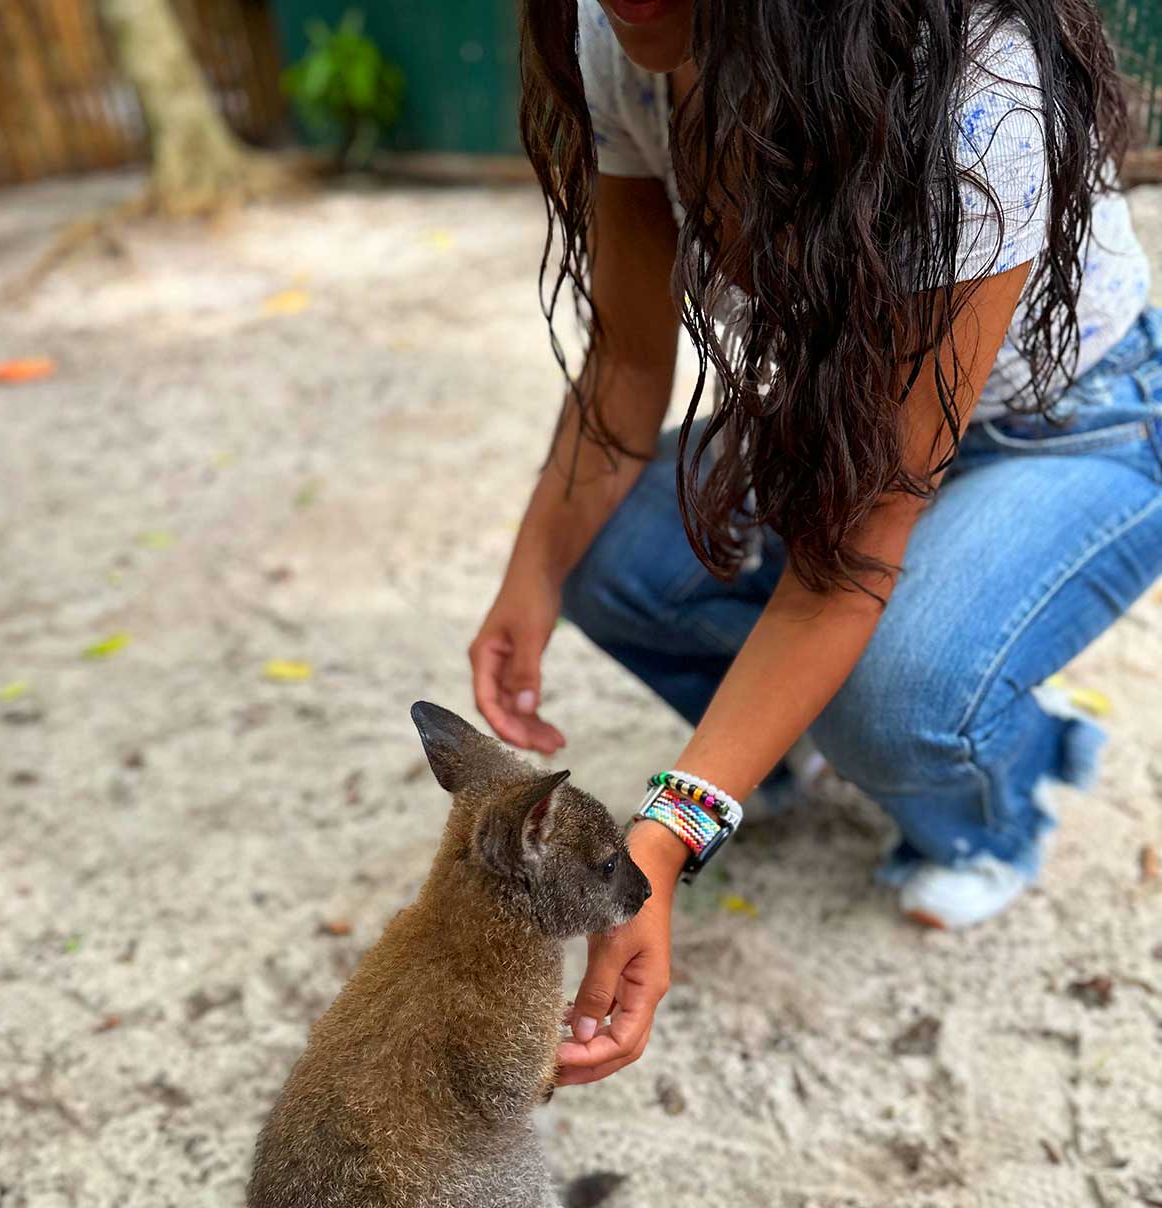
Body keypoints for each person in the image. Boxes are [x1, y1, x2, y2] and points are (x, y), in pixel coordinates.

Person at [468, 0, 1161, 1087]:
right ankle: (778, 739)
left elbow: (853, 554)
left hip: (1074, 429)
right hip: (866, 433)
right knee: (609, 552)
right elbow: (625, 365)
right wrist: (530, 577)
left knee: (895, 691)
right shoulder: (624, 32)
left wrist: (663, 840)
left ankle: (1004, 799)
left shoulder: (970, 76)